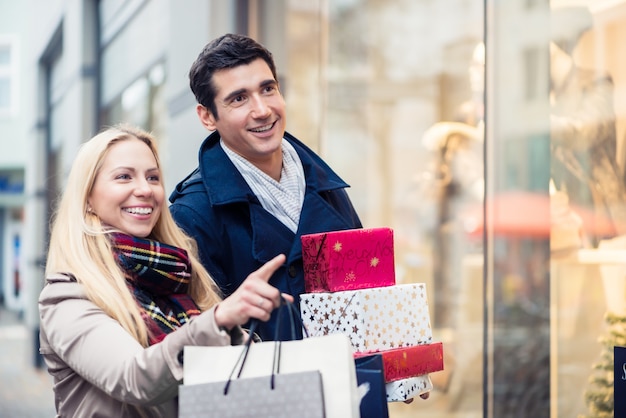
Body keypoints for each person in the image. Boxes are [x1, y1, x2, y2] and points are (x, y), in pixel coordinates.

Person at [38, 124, 291, 417]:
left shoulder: (177, 275)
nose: (145, 190)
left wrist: (237, 334)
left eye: (153, 177)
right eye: (123, 177)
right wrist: (218, 321)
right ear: (88, 200)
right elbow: (133, 378)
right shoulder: (67, 295)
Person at [169, 33, 362, 341]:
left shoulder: (324, 183)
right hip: (266, 387)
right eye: (238, 98)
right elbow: (197, 342)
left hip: (351, 382)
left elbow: (367, 292)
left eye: (267, 89)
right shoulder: (192, 215)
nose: (262, 110)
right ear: (207, 117)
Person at [550, 6, 626, 246]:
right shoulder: (544, 98)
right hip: (559, 225)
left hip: (599, 218)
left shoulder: (596, 84)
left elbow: (583, 133)